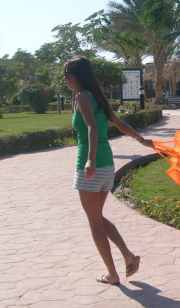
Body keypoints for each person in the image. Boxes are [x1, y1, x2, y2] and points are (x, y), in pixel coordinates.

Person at [64, 55, 154, 285]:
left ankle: (112, 274)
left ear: (76, 76)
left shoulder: (82, 97)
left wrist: (90, 160)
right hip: (107, 167)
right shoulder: (97, 96)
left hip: (92, 167)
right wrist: (141, 140)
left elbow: (92, 128)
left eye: (67, 75)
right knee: (98, 217)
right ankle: (128, 256)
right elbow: (118, 123)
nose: (65, 79)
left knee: (94, 223)